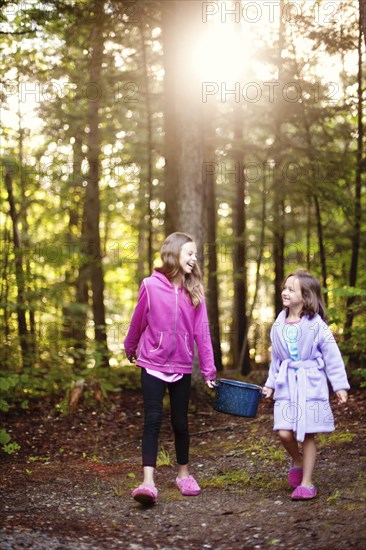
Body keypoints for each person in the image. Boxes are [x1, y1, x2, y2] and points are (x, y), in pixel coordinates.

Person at [124, 232, 217, 506]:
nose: (194, 258)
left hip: (181, 365)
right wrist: (131, 348)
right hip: (152, 362)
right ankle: (148, 482)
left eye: (195, 254)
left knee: (180, 422)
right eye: (189, 253)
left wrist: (209, 370)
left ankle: (183, 475)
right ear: (174, 254)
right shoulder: (150, 286)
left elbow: (203, 333)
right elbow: (137, 321)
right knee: (152, 420)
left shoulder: (195, 290)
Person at [262, 269, 350, 500]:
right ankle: (298, 460)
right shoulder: (278, 325)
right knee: (284, 432)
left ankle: (307, 482)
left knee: (308, 434)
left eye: (292, 289)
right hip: (286, 384)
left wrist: (339, 385)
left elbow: (332, 355)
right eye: (285, 287)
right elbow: (277, 360)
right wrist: (270, 384)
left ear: (306, 296)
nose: (285, 292)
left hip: (310, 384)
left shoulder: (317, 326)